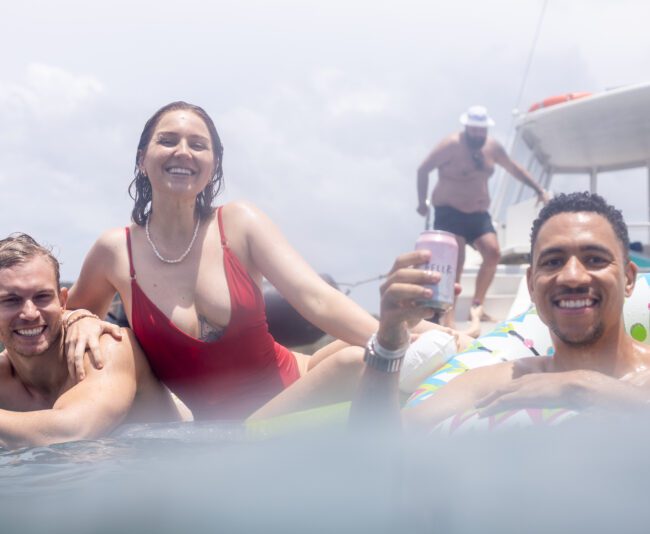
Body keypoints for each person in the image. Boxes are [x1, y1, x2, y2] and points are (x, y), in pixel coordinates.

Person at [65, 101, 455, 421]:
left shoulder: (238, 223)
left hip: (301, 384)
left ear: (214, 164)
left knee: (429, 343)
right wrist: (80, 318)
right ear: (141, 159)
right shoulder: (114, 252)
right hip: (230, 425)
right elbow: (71, 318)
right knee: (356, 362)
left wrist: (406, 335)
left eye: (198, 145)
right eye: (168, 140)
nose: (183, 151)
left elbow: (315, 298)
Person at [352, 192, 650, 434]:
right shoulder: (498, 382)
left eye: (595, 259)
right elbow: (379, 448)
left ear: (628, 279)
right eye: (553, 262)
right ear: (531, 286)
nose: (572, 277)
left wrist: (580, 385)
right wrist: (389, 339)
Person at [0, 234, 185, 450]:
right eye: (11, 300)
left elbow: (72, 432)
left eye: (42, 297)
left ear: (62, 301)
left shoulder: (108, 346)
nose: (30, 313)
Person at [416, 105, 550, 333]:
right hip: (450, 212)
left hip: (477, 214)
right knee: (456, 262)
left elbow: (513, 168)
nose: (478, 134)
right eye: (474, 129)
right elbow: (423, 169)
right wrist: (421, 202)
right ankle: (448, 317)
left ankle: (476, 306)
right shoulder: (450, 145)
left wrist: (538, 188)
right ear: (467, 127)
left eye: (482, 130)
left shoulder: (492, 147)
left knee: (493, 253)